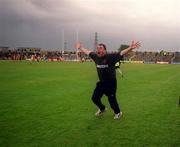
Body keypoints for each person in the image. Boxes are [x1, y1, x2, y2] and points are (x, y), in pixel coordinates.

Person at [75, 41, 140, 119]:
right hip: (101, 83)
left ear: (105, 50)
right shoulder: (95, 56)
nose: (98, 50)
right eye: (98, 48)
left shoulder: (110, 57)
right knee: (94, 98)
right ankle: (102, 108)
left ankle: (118, 112)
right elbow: (87, 52)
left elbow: (121, 53)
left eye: (101, 48)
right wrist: (80, 47)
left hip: (111, 83)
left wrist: (130, 48)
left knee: (111, 99)